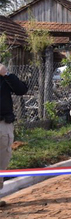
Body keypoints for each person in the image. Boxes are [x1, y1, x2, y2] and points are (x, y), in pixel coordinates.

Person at [0, 63, 28, 207]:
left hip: (3, 125)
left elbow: (21, 90)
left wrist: (7, 74)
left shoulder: (4, 76)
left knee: (2, 160)